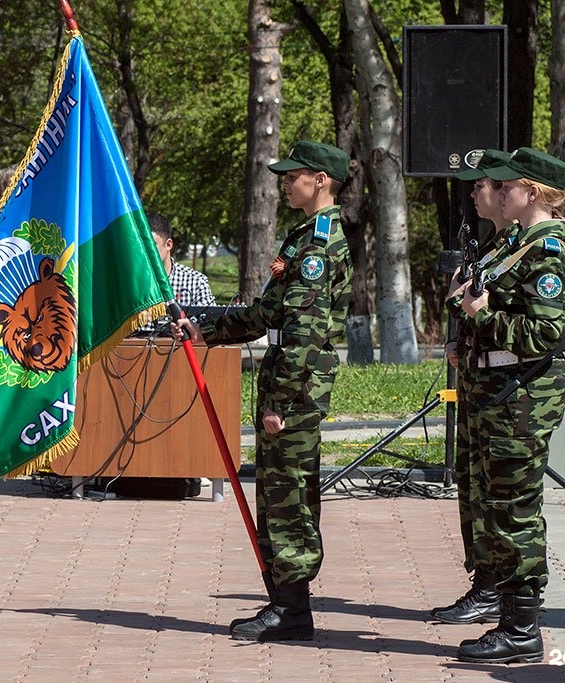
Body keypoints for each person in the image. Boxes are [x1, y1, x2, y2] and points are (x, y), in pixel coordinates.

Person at [178, 140, 352, 641]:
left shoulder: (320, 244)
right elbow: (264, 313)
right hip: (285, 380)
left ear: (320, 179)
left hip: (294, 391)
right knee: (276, 494)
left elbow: (302, 332)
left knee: (289, 498)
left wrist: (280, 401)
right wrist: (204, 330)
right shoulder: (301, 238)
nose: (284, 181)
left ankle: (294, 611)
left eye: (293, 174)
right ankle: (284, 603)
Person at [451, 148, 565, 663]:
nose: (498, 193)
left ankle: (523, 628)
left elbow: (549, 333)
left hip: (522, 400)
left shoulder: (548, 252)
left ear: (532, 192)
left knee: (515, 512)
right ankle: (511, 619)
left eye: (507, 187)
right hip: (500, 395)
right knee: (499, 507)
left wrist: (483, 318)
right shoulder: (520, 247)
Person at [432, 149, 515, 626]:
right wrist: (458, 340)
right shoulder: (490, 245)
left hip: (503, 391)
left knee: (495, 496)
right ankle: (484, 582)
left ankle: (498, 592)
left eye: (480, 185)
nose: (474, 193)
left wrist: (476, 314)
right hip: (478, 380)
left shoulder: (522, 249)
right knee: (473, 488)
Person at [147, 211, 216, 307]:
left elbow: (212, 321)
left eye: (150, 245)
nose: (144, 251)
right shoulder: (127, 282)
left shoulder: (195, 282)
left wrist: (189, 322)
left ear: (168, 245)